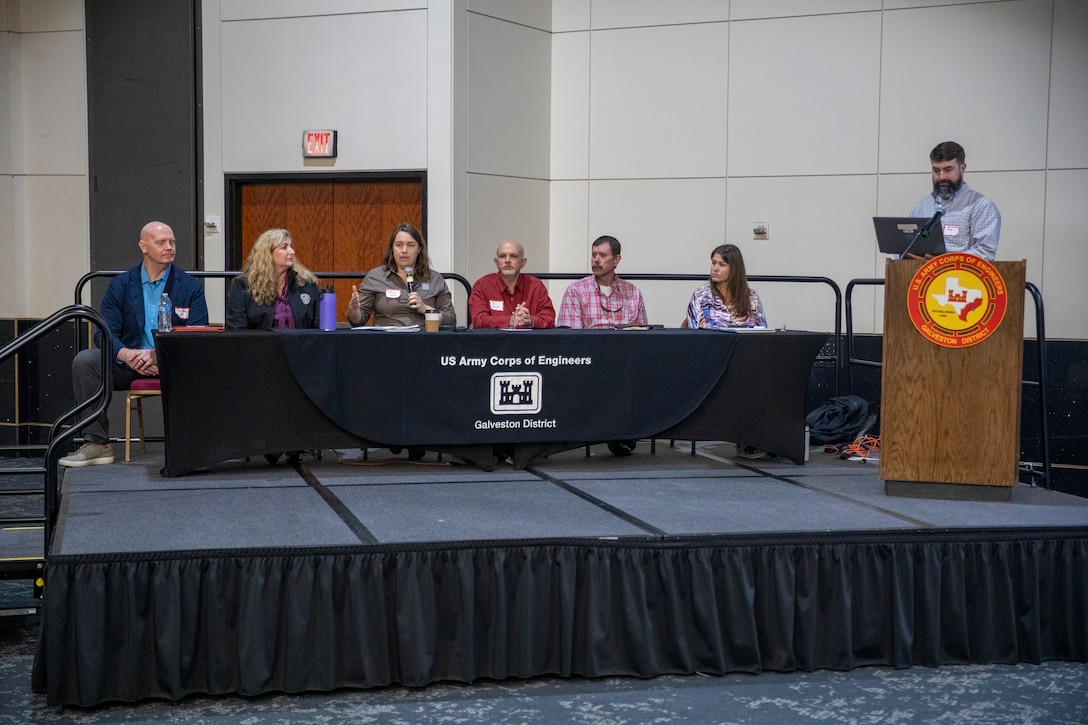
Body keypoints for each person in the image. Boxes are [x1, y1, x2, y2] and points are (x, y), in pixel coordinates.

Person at [60, 221, 209, 466]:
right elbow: (104, 333)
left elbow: (197, 334)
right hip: (128, 365)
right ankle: (98, 443)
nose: (169, 247)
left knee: (207, 363)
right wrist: (127, 354)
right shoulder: (121, 285)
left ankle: (198, 444)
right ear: (144, 246)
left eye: (172, 242)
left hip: (174, 363)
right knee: (86, 361)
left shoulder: (190, 286)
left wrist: (160, 356)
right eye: (161, 242)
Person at [346, 223, 455, 328]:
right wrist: (353, 309)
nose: (404, 250)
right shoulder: (375, 277)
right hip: (386, 340)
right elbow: (357, 321)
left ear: (419, 249)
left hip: (423, 341)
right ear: (392, 249)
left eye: (410, 245)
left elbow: (451, 320)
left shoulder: (434, 279)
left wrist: (426, 309)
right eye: (399, 245)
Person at [908, 141, 1001, 260]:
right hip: (921, 275)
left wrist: (942, 261)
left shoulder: (982, 206)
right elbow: (906, 245)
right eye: (936, 171)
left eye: (948, 170)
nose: (941, 177)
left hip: (962, 275)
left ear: (962, 168)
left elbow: (985, 252)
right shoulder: (923, 205)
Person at [226, 228, 320, 330]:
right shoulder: (243, 285)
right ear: (268, 254)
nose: (292, 251)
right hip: (261, 345)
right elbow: (237, 329)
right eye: (284, 247)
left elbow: (319, 325)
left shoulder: (306, 284)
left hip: (300, 344)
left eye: (291, 246)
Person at [556, 235, 648, 329]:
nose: (596, 260)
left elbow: (642, 335)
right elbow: (571, 338)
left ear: (616, 260)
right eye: (594, 255)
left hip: (625, 343)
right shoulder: (575, 291)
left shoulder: (634, 292)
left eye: (602, 255)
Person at [468, 240, 556, 329]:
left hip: (529, 341)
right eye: (502, 256)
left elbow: (549, 318)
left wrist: (530, 320)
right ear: (496, 262)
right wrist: (509, 321)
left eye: (513, 256)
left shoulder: (536, 286)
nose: (507, 260)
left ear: (523, 262)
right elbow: (478, 319)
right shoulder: (482, 286)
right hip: (493, 342)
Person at [685, 244, 766, 330]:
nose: (715, 268)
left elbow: (762, 333)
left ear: (734, 269)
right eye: (713, 263)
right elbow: (694, 333)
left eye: (722, 265)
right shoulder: (701, 295)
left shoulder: (752, 298)